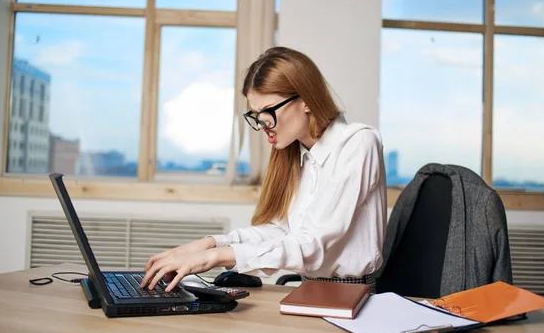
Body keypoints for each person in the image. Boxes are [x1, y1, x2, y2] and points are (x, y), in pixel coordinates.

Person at [141, 46, 387, 292]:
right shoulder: (299, 154)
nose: (262, 125)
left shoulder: (358, 143)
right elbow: (281, 231)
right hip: (310, 292)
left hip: (352, 296)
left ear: (306, 101)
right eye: (257, 115)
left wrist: (214, 258)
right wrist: (209, 244)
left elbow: (311, 246)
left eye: (268, 111)